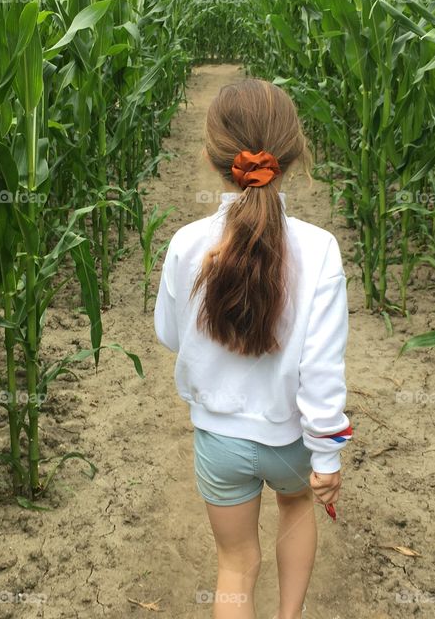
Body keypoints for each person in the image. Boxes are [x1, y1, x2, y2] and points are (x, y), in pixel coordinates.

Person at [153, 79, 352, 619]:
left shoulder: (187, 243)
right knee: (295, 510)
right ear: (294, 154)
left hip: (220, 441)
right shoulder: (320, 249)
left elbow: (170, 336)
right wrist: (327, 455)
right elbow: (322, 369)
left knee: (236, 563)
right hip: (292, 441)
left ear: (211, 155)